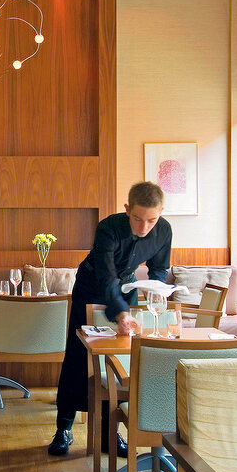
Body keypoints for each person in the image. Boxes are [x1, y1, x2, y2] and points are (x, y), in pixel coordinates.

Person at [48, 181, 172, 456]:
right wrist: (121, 313)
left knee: (119, 360)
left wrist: (157, 291)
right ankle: (63, 430)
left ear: (161, 212)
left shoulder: (164, 230)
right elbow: (105, 276)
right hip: (92, 285)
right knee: (79, 358)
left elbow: (159, 269)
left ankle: (109, 433)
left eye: (151, 220)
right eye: (137, 219)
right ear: (127, 209)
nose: (143, 228)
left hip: (127, 288)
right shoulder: (108, 227)